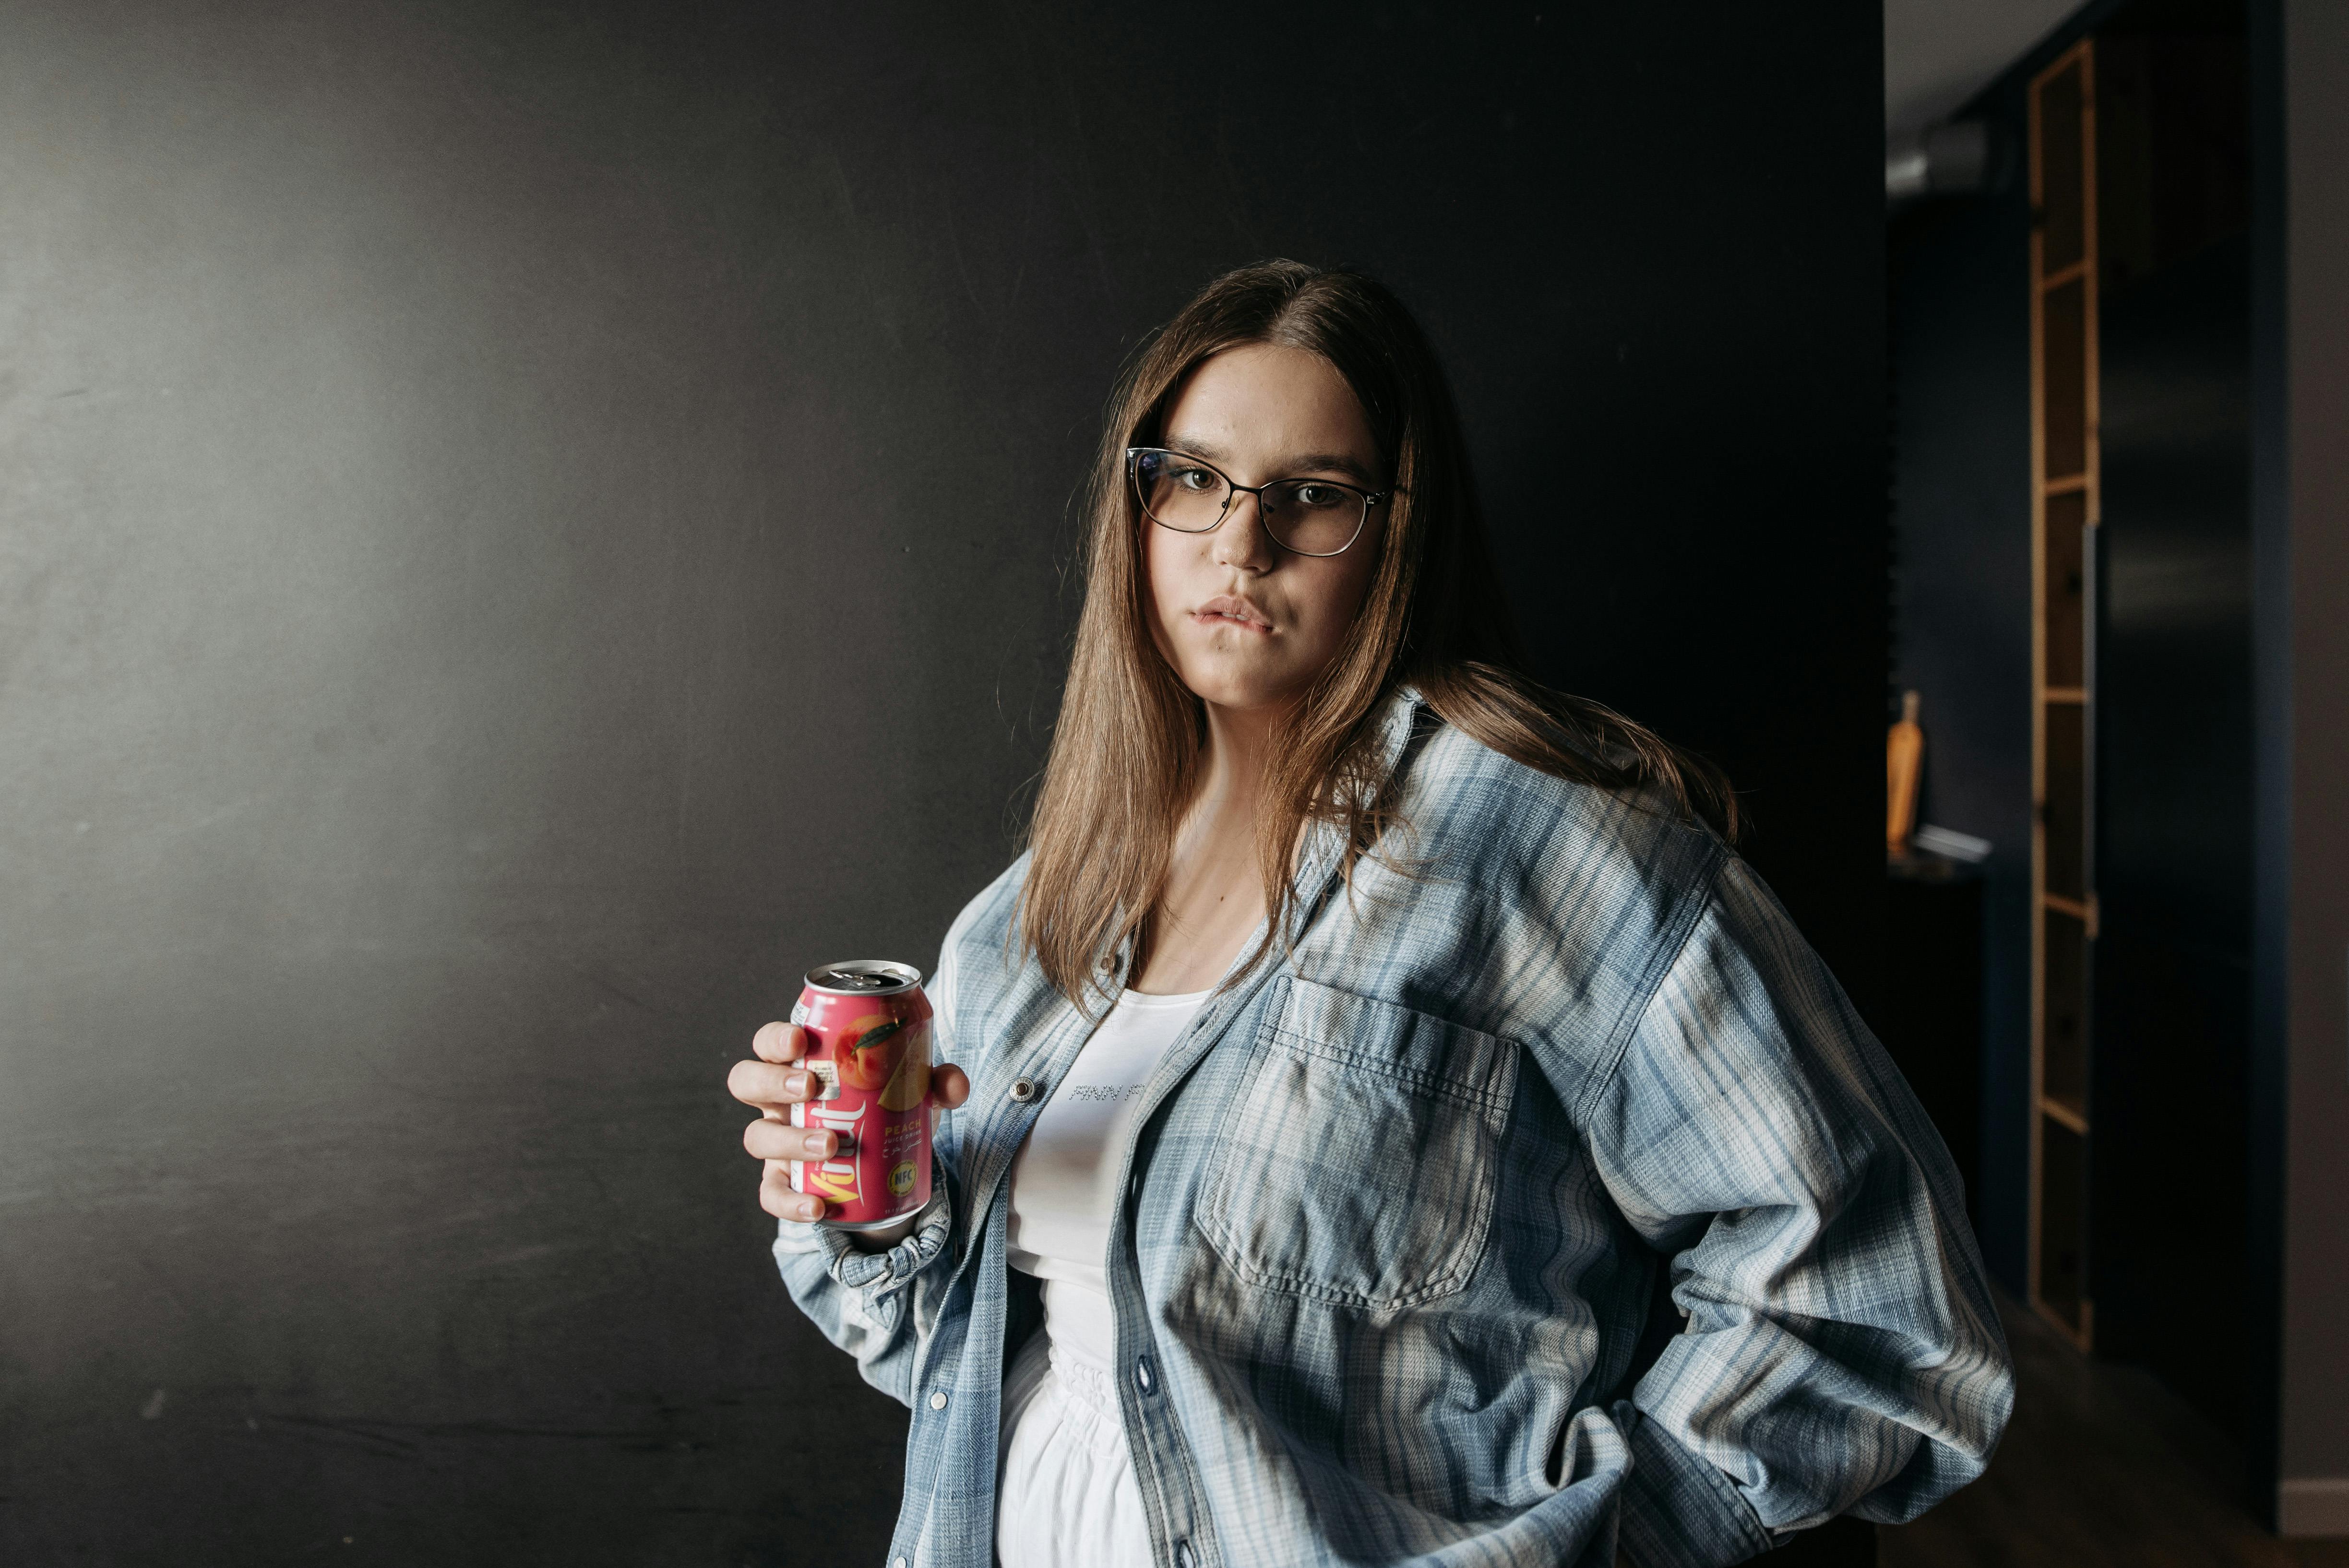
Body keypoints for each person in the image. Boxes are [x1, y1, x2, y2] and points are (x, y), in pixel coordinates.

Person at [727, 261, 2013, 1568]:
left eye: (1314, 496)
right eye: (1194, 480)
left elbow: (1878, 1309)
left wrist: (1596, 1541)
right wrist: (875, 1216)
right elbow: (941, 1353)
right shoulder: (1033, 919)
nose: (1242, 544)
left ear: (1400, 532)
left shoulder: (1539, 843)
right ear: (1138, 508)